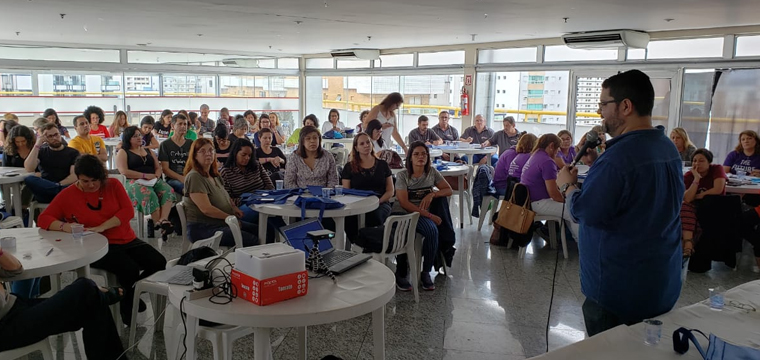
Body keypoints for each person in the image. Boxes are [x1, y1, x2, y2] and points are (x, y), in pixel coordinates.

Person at [558, 70, 684, 336]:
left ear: (625, 106)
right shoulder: (667, 148)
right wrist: (597, 166)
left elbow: (585, 212)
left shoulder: (618, 158)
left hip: (618, 290)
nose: (599, 112)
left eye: (604, 104)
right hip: (660, 279)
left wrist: (567, 186)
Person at [38, 154, 167, 323]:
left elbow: (128, 211)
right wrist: (66, 227)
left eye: (95, 180)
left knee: (159, 262)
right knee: (129, 269)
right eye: (85, 181)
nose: (91, 185)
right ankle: (128, 307)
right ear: (77, 178)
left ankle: (128, 294)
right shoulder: (67, 195)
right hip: (96, 245)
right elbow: (43, 219)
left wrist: (104, 226)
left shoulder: (112, 185)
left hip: (126, 239)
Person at [0, 248, 126, 359]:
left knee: (91, 302)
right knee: (86, 290)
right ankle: (98, 293)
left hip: (13, 306)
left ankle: (98, 294)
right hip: (6, 326)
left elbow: (16, 269)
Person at [394, 141, 456, 291]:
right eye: (416, 154)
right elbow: (404, 202)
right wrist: (429, 215)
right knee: (403, 232)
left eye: (423, 154)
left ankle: (426, 271)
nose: (420, 157)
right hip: (404, 214)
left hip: (422, 214)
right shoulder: (402, 175)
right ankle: (401, 272)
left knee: (432, 231)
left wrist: (433, 194)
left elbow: (448, 190)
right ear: (410, 158)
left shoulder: (432, 173)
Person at [183, 138, 258, 247]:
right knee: (252, 240)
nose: (208, 154)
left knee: (264, 230)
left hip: (220, 222)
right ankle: (244, 263)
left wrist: (233, 207)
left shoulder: (214, 175)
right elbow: (206, 209)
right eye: (202, 151)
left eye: (210, 150)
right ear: (195, 155)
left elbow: (225, 195)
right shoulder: (194, 176)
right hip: (203, 227)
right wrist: (230, 218)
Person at [117, 126, 176, 240]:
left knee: (168, 190)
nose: (139, 137)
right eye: (135, 136)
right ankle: (159, 223)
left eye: (139, 135)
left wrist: (157, 175)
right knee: (149, 194)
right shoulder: (123, 152)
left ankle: (163, 220)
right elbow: (124, 171)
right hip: (134, 181)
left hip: (152, 179)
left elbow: (157, 167)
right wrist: (144, 176)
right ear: (128, 138)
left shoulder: (148, 150)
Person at [220, 138, 284, 243]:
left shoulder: (256, 165)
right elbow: (227, 200)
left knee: (269, 217)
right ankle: (289, 235)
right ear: (235, 153)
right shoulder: (226, 172)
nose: (247, 158)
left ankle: (272, 244)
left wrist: (261, 196)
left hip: (262, 200)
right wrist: (248, 198)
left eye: (249, 156)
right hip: (241, 207)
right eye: (243, 155)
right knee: (269, 215)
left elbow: (270, 186)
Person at [520, 134, 580, 238]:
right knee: (574, 211)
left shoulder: (536, 155)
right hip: (539, 202)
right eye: (558, 149)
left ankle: (574, 240)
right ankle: (581, 243)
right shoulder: (547, 161)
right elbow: (554, 194)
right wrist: (569, 199)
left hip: (529, 200)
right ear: (551, 146)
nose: (558, 152)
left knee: (570, 209)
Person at [341, 132, 394, 244]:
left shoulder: (382, 165)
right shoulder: (349, 167)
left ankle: (372, 247)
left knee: (374, 216)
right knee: (348, 219)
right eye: (362, 143)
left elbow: (390, 191)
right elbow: (346, 192)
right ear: (356, 148)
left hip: (381, 202)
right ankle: (357, 245)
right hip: (356, 205)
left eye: (368, 142)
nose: (366, 145)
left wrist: (378, 202)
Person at [680, 148, 726, 257]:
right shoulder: (689, 175)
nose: (697, 163)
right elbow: (687, 199)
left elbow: (718, 189)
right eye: (694, 161)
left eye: (701, 160)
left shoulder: (717, 169)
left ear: (709, 162)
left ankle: (687, 244)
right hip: (695, 207)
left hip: (715, 205)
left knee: (686, 209)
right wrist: (696, 179)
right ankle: (688, 245)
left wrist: (699, 195)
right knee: (685, 206)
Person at [23, 123, 79, 203]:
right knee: (29, 179)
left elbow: (74, 175)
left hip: (65, 188)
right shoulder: (42, 152)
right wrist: (37, 144)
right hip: (46, 191)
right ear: (44, 138)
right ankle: (56, 190)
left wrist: (57, 185)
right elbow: (29, 168)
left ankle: (56, 190)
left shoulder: (73, 152)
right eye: (50, 136)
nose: (54, 138)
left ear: (60, 134)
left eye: (56, 134)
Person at [158, 113, 192, 196]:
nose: (183, 126)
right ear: (172, 126)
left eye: (185, 124)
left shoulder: (191, 143)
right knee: (187, 188)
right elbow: (165, 169)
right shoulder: (165, 145)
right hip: (173, 179)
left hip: (190, 176)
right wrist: (181, 178)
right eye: (180, 124)